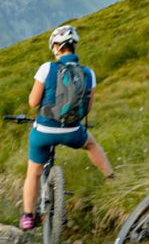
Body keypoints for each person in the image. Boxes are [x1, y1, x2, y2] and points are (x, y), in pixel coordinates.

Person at [20, 24, 114, 231]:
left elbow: (33, 103)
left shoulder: (47, 68)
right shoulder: (89, 73)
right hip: (72, 131)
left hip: (44, 131)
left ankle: (28, 215)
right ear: (74, 46)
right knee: (91, 145)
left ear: (55, 47)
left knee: (33, 172)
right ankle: (111, 178)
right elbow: (87, 108)